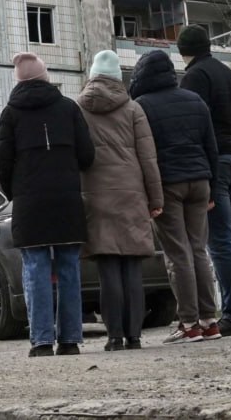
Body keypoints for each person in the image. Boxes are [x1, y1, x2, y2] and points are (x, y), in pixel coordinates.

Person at [0, 52, 95, 358]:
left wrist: (15, 193)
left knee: (35, 268)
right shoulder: (68, 108)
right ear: (45, 76)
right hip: (66, 200)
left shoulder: (10, 114)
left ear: (18, 80)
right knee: (68, 268)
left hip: (29, 203)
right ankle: (70, 340)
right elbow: (87, 155)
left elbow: (3, 162)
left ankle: (41, 341)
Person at [130, 49, 220, 344]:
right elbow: (211, 146)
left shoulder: (141, 106)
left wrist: (149, 194)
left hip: (168, 184)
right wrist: (212, 186)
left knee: (177, 253)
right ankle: (210, 321)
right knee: (198, 250)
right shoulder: (195, 100)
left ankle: (189, 323)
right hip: (200, 181)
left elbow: (144, 154)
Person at [77, 50, 163, 351]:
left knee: (108, 269)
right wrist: (156, 198)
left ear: (92, 75)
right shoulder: (133, 109)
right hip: (131, 195)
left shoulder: (79, 108)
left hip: (95, 195)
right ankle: (134, 336)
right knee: (132, 268)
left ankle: (114, 336)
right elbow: (148, 158)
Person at [178, 25, 231, 338]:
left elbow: (193, 123)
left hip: (214, 163)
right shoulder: (227, 73)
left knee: (218, 240)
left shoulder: (194, 77)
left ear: (183, 51)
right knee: (223, 237)